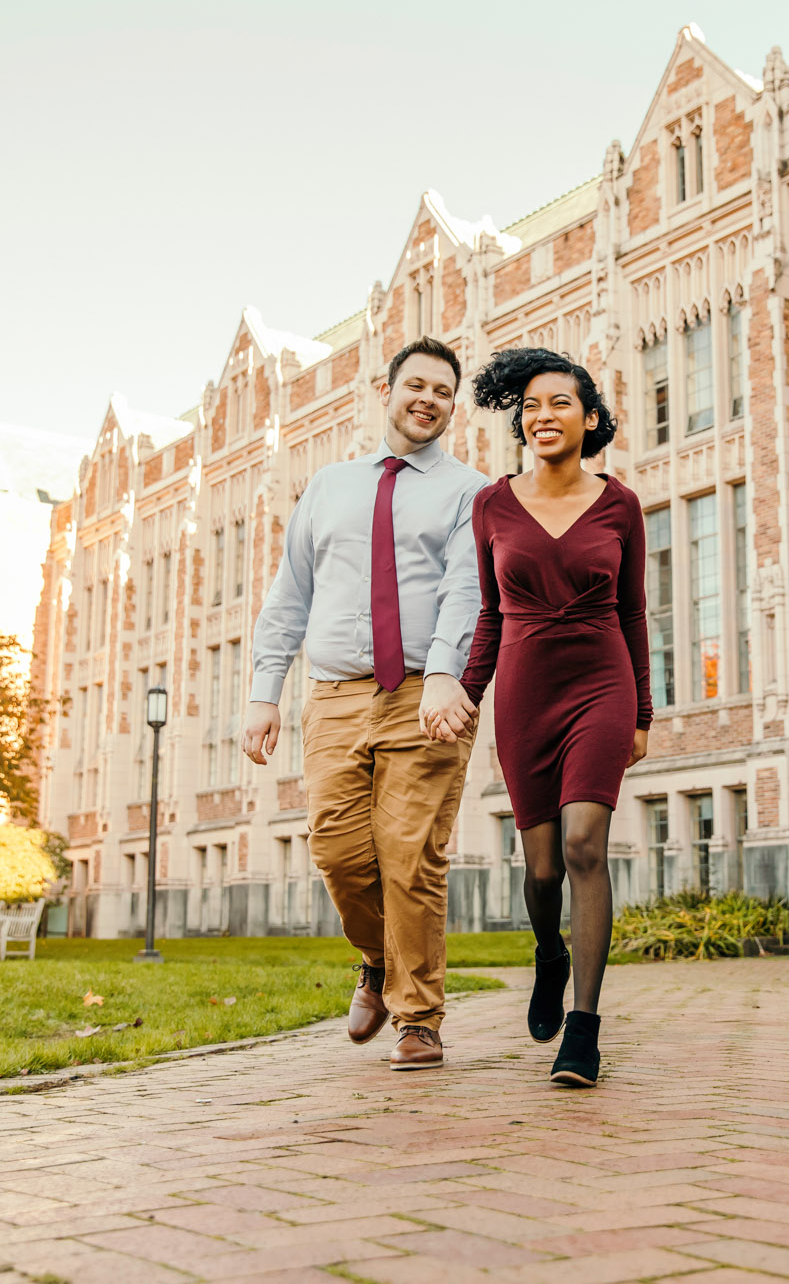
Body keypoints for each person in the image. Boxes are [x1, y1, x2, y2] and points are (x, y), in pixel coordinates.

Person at [243, 335, 487, 1072]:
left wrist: (446, 673)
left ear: (452, 405)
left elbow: (465, 591)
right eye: (417, 385)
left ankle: (418, 1017)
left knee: (410, 856)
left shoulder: (468, 491)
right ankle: (378, 960)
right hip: (335, 696)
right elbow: (291, 593)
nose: (428, 400)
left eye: (443, 391)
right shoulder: (329, 485)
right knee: (339, 851)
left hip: (424, 695)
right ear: (386, 391)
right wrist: (264, 690)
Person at [452, 347, 649, 1088]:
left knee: (584, 845)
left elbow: (633, 611)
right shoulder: (492, 505)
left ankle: (585, 1030)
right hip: (526, 696)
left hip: (602, 682)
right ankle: (549, 951)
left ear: (590, 418)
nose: (543, 415)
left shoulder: (620, 503)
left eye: (560, 403)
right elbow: (489, 614)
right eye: (530, 406)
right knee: (541, 869)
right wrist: (467, 694)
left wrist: (643, 712)